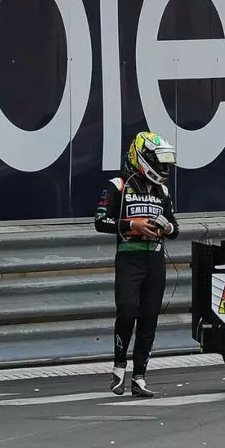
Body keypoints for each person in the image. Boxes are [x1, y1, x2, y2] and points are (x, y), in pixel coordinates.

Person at [95, 132, 179, 398]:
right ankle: (119, 369)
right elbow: (99, 222)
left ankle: (140, 377)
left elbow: (175, 228)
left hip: (155, 260)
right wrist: (133, 224)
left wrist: (166, 226)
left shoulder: (162, 191)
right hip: (129, 259)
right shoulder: (117, 185)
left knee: (149, 318)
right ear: (142, 158)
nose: (164, 169)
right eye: (159, 161)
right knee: (128, 311)